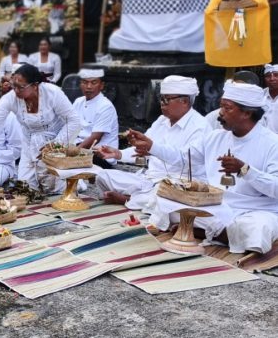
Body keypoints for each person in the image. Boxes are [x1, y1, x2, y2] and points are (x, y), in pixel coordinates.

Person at [140, 81, 278, 254]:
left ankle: (202, 232)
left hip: (255, 210)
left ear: (247, 113)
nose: (220, 113)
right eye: (221, 106)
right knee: (166, 203)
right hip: (218, 204)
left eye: (227, 108)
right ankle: (217, 234)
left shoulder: (272, 144)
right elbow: (183, 158)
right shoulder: (215, 137)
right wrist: (151, 146)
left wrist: (245, 170)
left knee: (256, 229)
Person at [0, 64, 81, 192]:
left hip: (56, 140)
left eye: (21, 87)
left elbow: (75, 121)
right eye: (14, 86)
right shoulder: (11, 98)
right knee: (26, 186)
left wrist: (55, 145)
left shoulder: (53, 93)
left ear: (35, 86)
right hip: (29, 141)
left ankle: (70, 188)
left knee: (54, 187)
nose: (16, 91)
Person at [94, 75, 209, 208]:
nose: (162, 103)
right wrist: (118, 154)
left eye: (167, 99)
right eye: (161, 98)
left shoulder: (200, 126)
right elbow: (143, 148)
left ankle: (128, 200)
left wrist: (152, 148)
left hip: (181, 185)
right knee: (103, 176)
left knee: (167, 198)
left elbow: (185, 158)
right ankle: (137, 200)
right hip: (150, 180)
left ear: (184, 101)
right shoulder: (161, 121)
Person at [72, 69, 119, 168]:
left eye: (93, 82)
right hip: (80, 148)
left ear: (101, 85)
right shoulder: (78, 102)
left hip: (101, 155)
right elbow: (71, 127)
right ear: (80, 84)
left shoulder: (105, 106)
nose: (89, 87)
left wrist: (74, 152)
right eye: (85, 82)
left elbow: (95, 138)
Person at [263, 64, 278, 134]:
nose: (272, 78)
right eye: (268, 76)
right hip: (260, 139)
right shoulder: (259, 96)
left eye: (276, 75)